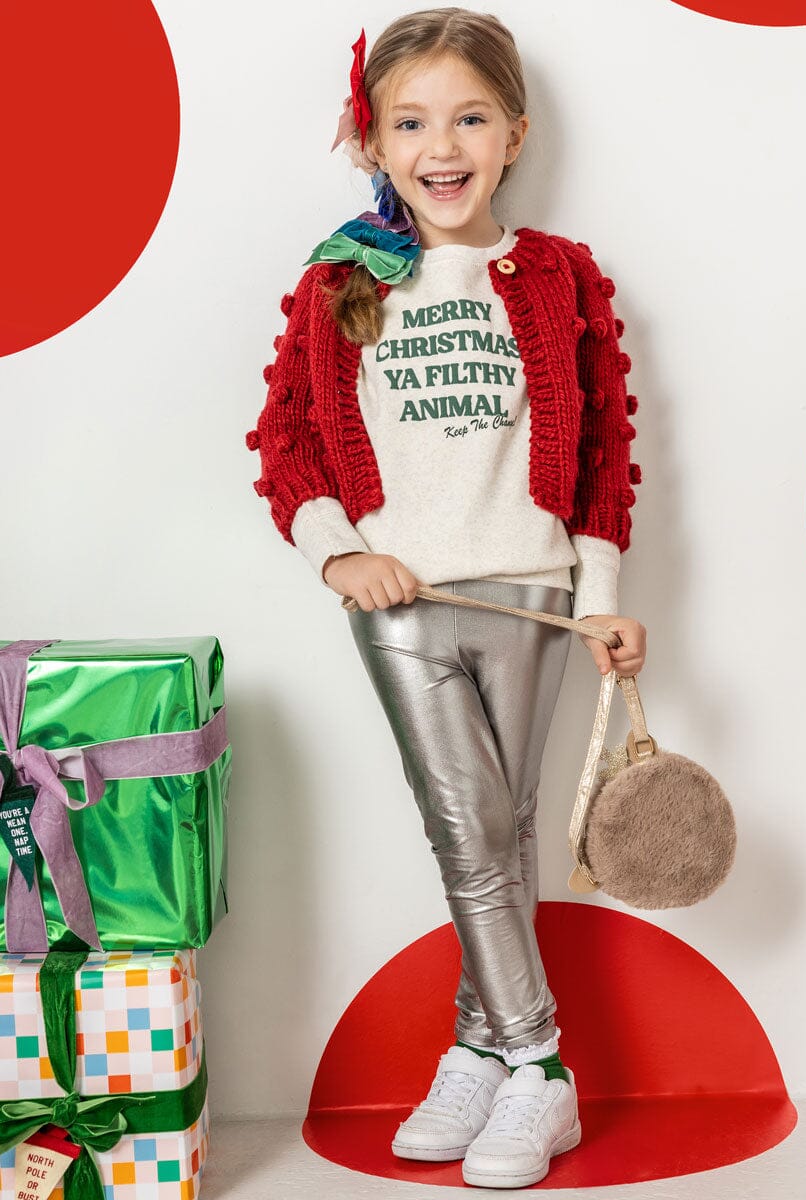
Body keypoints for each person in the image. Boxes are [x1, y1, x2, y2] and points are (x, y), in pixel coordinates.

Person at [247, 8, 647, 1189]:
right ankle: (540, 1065)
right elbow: (288, 441)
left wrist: (599, 593)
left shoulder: (558, 276)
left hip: (530, 594)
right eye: (411, 123)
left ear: (513, 134)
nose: (442, 145)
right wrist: (338, 556)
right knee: (464, 829)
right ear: (370, 142)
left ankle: (476, 1051)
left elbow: (603, 456)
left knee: (505, 831)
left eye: (469, 118)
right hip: (403, 601)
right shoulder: (342, 280)